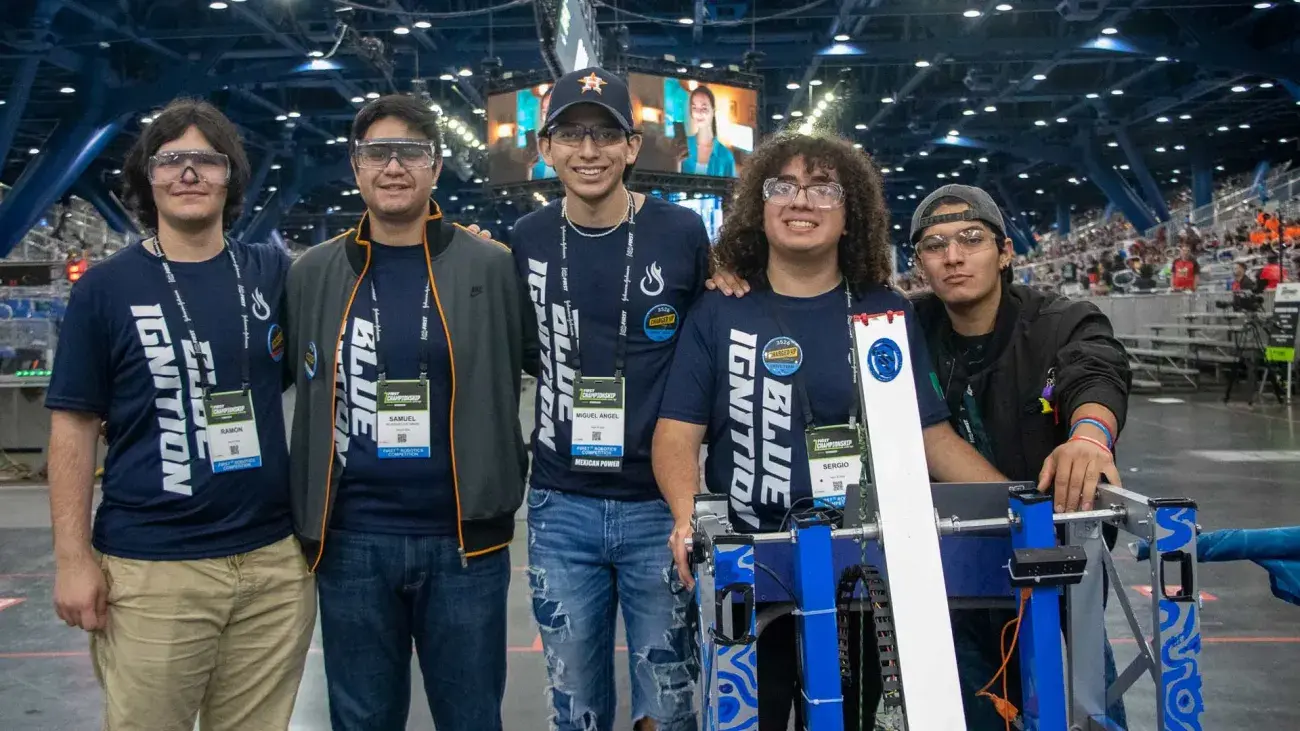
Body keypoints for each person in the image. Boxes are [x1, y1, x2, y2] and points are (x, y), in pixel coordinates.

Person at [654, 133, 1008, 730]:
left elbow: (931, 437)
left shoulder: (883, 311)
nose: (801, 201)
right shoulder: (719, 310)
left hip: (860, 575)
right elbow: (676, 435)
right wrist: (689, 519)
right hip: (748, 573)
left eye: (823, 189)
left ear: (851, 215)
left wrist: (1020, 506)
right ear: (760, 207)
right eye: (784, 187)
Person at [45, 98, 314, 730]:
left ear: (230, 177)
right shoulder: (105, 289)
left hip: (273, 566)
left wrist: (456, 245)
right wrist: (72, 558)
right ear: (148, 178)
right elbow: (73, 427)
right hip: (153, 570)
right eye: (171, 160)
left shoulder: (272, 274)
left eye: (206, 159)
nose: (189, 173)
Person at [282, 94, 531, 731]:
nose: (394, 167)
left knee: (472, 717)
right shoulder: (311, 273)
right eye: (377, 153)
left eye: (411, 152)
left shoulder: (491, 266)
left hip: (465, 542)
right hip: (351, 542)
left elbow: (549, 357)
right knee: (362, 719)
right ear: (356, 166)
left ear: (436, 166)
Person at [510, 66, 710, 731]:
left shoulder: (681, 233)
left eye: (605, 135)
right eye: (571, 134)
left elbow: (711, 338)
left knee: (670, 705)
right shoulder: (526, 239)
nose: (588, 150)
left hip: (658, 504)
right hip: (559, 505)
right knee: (576, 706)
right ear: (546, 148)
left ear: (632, 147)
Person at [908, 184, 1131, 729]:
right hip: (954, 561)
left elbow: (1096, 369)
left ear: (1005, 252)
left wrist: (1089, 436)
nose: (953, 256)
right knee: (976, 707)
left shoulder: (1061, 321)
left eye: (971, 239)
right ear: (919, 264)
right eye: (935, 245)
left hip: (1058, 555)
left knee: (1087, 703)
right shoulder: (907, 329)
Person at [678, 86, 737, 177]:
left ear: (713, 111)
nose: (698, 113)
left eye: (704, 108)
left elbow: (733, 186)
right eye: (694, 108)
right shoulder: (683, 146)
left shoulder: (726, 156)